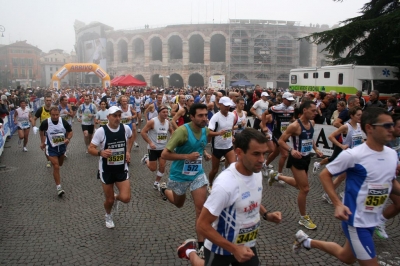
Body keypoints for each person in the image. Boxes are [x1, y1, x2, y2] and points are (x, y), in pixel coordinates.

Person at [293, 107, 400, 266]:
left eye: (392, 125)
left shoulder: (391, 154)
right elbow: (325, 175)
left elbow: (390, 182)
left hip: (373, 219)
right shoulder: (354, 155)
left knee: (346, 257)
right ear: (370, 128)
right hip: (356, 221)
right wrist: (337, 203)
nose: (391, 129)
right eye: (386, 125)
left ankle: (306, 241)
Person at [178, 128, 282, 265]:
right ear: (239, 152)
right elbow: (202, 225)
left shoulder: (256, 172)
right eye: (256, 154)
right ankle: (190, 252)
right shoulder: (225, 184)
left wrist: (266, 214)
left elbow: (251, 198)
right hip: (221, 250)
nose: (262, 160)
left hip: (247, 246)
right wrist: (234, 249)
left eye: (264, 153)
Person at [159, 103, 212, 253]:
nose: (204, 118)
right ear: (192, 116)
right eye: (200, 116)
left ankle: (202, 247)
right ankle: (164, 190)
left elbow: (200, 145)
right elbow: (165, 154)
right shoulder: (182, 132)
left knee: (201, 209)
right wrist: (186, 156)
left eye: (206, 115)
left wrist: (205, 154)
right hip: (179, 175)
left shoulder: (205, 130)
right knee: (178, 203)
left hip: (197, 174)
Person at [268, 101, 323, 230]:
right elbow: (281, 140)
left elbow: (310, 138)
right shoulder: (294, 126)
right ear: (304, 110)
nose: (316, 113)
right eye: (313, 110)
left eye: (316, 111)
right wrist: (291, 150)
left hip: (306, 158)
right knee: (305, 189)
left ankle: (277, 176)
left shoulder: (311, 123)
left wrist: (316, 149)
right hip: (296, 159)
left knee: (299, 185)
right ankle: (303, 218)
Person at [88, 106, 134, 229]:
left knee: (126, 198)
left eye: (119, 115)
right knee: (109, 201)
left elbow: (131, 137)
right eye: (115, 116)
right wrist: (100, 153)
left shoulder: (125, 129)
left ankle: (116, 197)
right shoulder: (101, 131)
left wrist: (128, 151)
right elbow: (90, 148)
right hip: (106, 170)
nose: (118, 118)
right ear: (108, 117)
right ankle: (108, 215)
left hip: (121, 168)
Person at [319, 107, 363, 204]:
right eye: (358, 115)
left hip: (357, 155)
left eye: (361, 114)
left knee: (346, 176)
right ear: (351, 116)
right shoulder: (346, 127)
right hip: (347, 155)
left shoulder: (360, 126)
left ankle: (340, 193)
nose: (361, 116)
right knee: (342, 177)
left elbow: (359, 140)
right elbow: (331, 136)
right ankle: (330, 194)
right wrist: (341, 145)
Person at [374, 114, 400, 239]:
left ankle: (379, 221)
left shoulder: (397, 139)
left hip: (390, 178)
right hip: (379, 179)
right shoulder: (384, 142)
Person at [39, 107, 73, 196]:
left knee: (60, 164)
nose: (55, 116)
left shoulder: (63, 122)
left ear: (59, 114)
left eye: (57, 115)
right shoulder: (46, 122)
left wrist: (68, 139)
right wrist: (42, 142)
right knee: (56, 166)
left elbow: (70, 132)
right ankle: (59, 187)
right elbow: (41, 130)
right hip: (51, 148)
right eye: (53, 115)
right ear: (50, 114)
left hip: (61, 147)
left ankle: (58, 186)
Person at [262, 92, 295, 177]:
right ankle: (279, 175)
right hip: (277, 134)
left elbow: (291, 119)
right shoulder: (276, 108)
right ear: (284, 99)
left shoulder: (291, 109)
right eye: (288, 100)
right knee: (285, 154)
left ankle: (265, 165)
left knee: (275, 153)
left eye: (291, 100)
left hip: (285, 134)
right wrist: (264, 126)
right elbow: (264, 114)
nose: (290, 102)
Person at [140, 105, 174, 190]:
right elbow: (143, 132)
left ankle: (156, 182)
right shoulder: (152, 122)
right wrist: (150, 142)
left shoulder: (167, 122)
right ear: (159, 113)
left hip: (163, 148)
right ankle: (146, 159)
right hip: (153, 149)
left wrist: (171, 138)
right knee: (153, 168)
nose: (166, 114)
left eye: (167, 112)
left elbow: (171, 130)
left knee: (162, 166)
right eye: (164, 112)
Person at [208, 96, 236, 189]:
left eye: (229, 106)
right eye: (225, 106)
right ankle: (210, 184)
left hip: (228, 146)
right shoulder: (215, 117)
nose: (228, 107)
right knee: (215, 170)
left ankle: (229, 185)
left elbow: (231, 127)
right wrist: (219, 133)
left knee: (234, 167)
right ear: (220, 105)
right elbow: (209, 132)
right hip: (217, 147)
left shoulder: (232, 115)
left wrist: (231, 136)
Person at [31, 95, 53, 167]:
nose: (48, 102)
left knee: (54, 145)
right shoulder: (41, 109)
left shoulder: (54, 109)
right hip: (44, 131)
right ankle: (48, 160)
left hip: (53, 131)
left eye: (50, 100)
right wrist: (34, 126)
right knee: (46, 146)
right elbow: (34, 119)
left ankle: (54, 157)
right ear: (44, 101)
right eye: (47, 100)